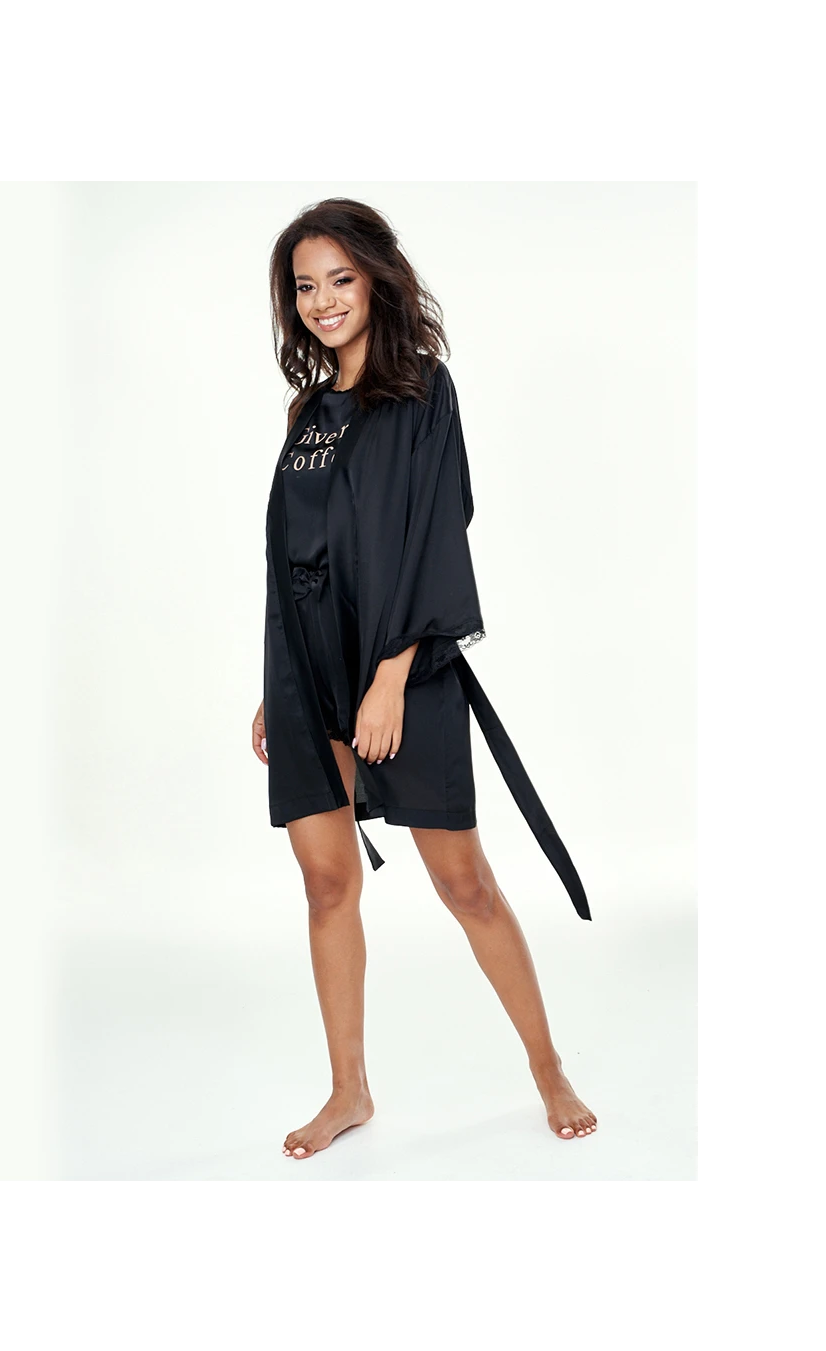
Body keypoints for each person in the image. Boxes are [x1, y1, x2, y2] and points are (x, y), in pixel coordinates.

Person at [252, 198, 597, 1160]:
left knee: (464, 881)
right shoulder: (305, 413)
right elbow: (292, 557)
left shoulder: (420, 392)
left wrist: (392, 675)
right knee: (326, 882)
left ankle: (548, 1068)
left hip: (401, 666)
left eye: (340, 279)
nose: (322, 301)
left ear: (376, 280)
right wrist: (276, 684)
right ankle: (349, 1091)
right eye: (305, 286)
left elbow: (438, 531)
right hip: (306, 672)